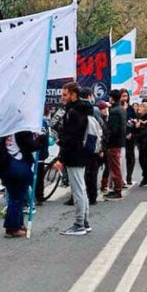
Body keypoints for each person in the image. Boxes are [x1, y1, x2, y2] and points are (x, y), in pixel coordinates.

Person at [54, 82, 93, 236]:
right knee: (81, 189)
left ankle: (79, 224)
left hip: (74, 154)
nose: (62, 98)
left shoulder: (74, 112)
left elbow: (71, 137)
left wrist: (61, 157)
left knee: (78, 191)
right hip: (80, 153)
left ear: (73, 95)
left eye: (64, 95)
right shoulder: (82, 109)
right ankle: (84, 222)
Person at [1, 131, 43, 238]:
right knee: (17, 198)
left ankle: (18, 224)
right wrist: (41, 139)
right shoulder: (21, 128)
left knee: (16, 197)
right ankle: (12, 228)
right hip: (18, 164)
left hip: (6, 162)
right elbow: (31, 146)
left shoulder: (7, 126)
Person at [105, 89, 127, 200]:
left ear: (111, 98)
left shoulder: (114, 111)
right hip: (120, 141)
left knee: (114, 166)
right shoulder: (122, 109)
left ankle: (117, 189)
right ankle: (116, 188)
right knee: (115, 165)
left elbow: (112, 129)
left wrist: (106, 137)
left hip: (114, 142)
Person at [132, 103, 147, 188]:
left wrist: (136, 133)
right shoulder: (140, 117)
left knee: (144, 161)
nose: (138, 109)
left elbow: (146, 132)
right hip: (141, 143)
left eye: (140, 107)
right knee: (142, 161)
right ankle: (146, 177)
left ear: (146, 109)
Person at [120, 89, 136, 185]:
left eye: (126, 96)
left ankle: (129, 176)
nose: (125, 98)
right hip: (121, 136)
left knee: (130, 156)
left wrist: (131, 133)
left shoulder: (131, 109)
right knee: (121, 157)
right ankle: (121, 177)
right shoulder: (118, 108)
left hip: (130, 135)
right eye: (123, 96)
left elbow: (133, 120)